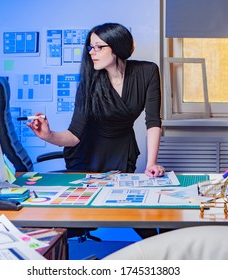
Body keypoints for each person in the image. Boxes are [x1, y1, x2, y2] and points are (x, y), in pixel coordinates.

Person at [27, 22, 164, 238]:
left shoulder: (148, 72)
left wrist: (151, 163)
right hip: (86, 155)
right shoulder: (88, 84)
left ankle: (164, 250)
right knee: (73, 220)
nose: (92, 52)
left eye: (99, 47)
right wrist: (48, 135)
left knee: (132, 211)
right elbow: (73, 136)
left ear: (117, 47)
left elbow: (153, 121)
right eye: (90, 47)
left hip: (122, 151)